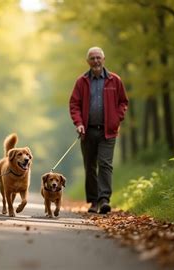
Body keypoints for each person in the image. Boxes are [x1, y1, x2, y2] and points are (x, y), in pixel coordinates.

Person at [69, 47, 128, 214]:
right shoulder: (81, 81)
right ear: (88, 61)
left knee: (105, 164)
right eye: (92, 58)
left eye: (98, 58)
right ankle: (93, 202)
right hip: (87, 131)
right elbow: (74, 104)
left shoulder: (114, 80)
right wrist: (79, 123)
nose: (95, 61)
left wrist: (117, 118)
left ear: (103, 59)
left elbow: (123, 102)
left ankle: (104, 200)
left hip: (108, 131)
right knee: (90, 166)